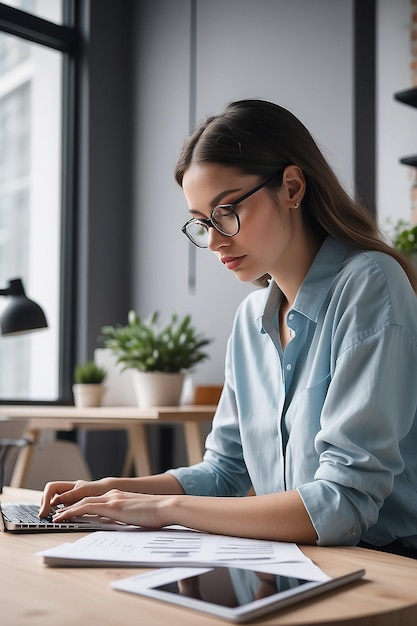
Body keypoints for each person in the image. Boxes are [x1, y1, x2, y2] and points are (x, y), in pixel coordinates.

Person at [41, 99, 417, 557]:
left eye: (225, 211)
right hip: (301, 561)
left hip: (389, 564)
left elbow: (343, 503)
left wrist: (163, 508)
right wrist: (110, 491)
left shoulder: (371, 284)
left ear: (292, 187)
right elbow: (224, 473)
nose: (215, 240)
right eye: (201, 223)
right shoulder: (250, 319)